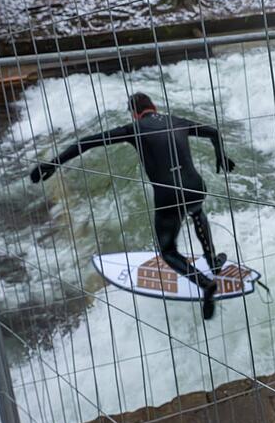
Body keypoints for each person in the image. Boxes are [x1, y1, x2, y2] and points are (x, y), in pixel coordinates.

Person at [30, 93, 236, 319]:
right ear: (154, 107)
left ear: (135, 114)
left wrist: (52, 164)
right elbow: (213, 132)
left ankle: (205, 284)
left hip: (168, 194)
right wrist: (221, 157)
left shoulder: (134, 128)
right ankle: (212, 262)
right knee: (197, 212)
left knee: (168, 252)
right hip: (196, 185)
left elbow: (86, 143)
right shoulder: (177, 120)